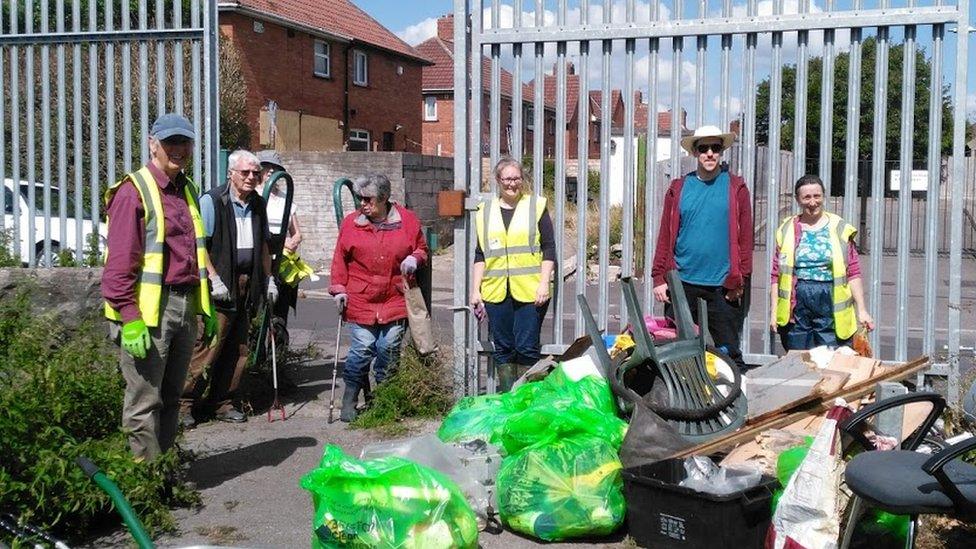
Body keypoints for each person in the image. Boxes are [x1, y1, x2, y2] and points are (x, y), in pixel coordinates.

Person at [102, 113, 217, 460]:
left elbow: (193, 256)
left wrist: (204, 308)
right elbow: (119, 264)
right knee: (144, 401)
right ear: (153, 144)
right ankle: (145, 486)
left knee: (171, 398)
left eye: (184, 142)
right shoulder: (132, 191)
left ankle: (164, 473)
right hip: (150, 314)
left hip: (183, 307)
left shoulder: (187, 189)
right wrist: (129, 316)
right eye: (170, 143)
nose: (178, 150)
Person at [181, 149, 276, 426]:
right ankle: (184, 405)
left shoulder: (257, 204)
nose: (251, 177)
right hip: (220, 284)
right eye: (245, 172)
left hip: (247, 283)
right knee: (208, 346)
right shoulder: (213, 201)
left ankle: (223, 402)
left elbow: (264, 248)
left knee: (238, 349)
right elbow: (200, 245)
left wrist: (269, 280)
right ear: (231, 173)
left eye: (255, 173)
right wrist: (212, 278)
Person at [651, 125, 753, 371]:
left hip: (722, 286)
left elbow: (746, 239)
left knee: (727, 353)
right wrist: (658, 277)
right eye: (703, 148)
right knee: (680, 352)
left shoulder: (735, 187)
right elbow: (666, 235)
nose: (709, 153)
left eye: (715, 148)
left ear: (721, 152)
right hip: (682, 283)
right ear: (695, 152)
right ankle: (685, 404)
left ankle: (733, 402)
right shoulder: (679, 188)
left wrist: (740, 280)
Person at [329, 173, 429, 422]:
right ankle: (350, 400)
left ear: (384, 198)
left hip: (394, 298)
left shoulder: (406, 220)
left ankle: (384, 399)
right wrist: (339, 288)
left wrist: (414, 257)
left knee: (388, 350)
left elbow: (422, 248)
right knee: (361, 351)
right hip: (362, 298)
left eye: (368, 199)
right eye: (359, 198)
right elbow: (339, 258)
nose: (362, 204)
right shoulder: (352, 223)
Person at [470, 157, 555, 391]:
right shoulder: (485, 212)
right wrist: (475, 290)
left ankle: (528, 398)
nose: (512, 183)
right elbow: (480, 254)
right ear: (498, 180)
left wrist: (544, 284)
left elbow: (549, 248)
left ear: (522, 179)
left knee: (527, 346)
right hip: (496, 290)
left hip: (530, 290)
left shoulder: (535, 206)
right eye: (507, 178)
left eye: (516, 178)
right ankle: (508, 398)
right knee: (503, 348)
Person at [770, 174, 875, 350]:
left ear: (823, 196)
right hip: (797, 301)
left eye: (817, 196)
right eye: (807, 197)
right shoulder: (787, 229)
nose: (812, 202)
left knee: (831, 358)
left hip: (830, 299)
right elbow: (776, 276)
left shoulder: (839, 227)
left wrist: (862, 310)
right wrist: (774, 312)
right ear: (798, 199)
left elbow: (853, 272)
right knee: (798, 357)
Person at [256, 150, 303, 326]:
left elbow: (297, 232)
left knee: (280, 310)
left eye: (274, 168)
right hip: (261, 260)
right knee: (260, 310)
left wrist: (293, 242)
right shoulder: (254, 195)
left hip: (282, 263)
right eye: (266, 167)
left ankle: (280, 346)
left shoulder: (286, 199)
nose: (270, 171)